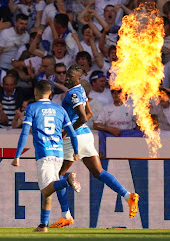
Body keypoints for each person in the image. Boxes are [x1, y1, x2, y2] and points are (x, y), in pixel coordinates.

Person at [49, 64, 139, 228]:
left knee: (58, 175)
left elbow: (83, 117)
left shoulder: (72, 94)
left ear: (77, 78)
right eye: (66, 76)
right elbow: (90, 114)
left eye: (69, 76)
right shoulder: (82, 91)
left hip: (74, 137)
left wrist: (66, 132)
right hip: (87, 136)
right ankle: (128, 196)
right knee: (99, 172)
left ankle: (66, 215)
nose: (66, 78)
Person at [11, 80, 81, 233]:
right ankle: (43, 225)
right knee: (50, 185)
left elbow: (24, 133)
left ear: (36, 93)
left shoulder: (32, 108)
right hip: (58, 153)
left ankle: (67, 180)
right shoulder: (60, 110)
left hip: (44, 153)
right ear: (50, 93)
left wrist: (17, 156)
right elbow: (72, 134)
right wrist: (76, 151)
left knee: (45, 190)